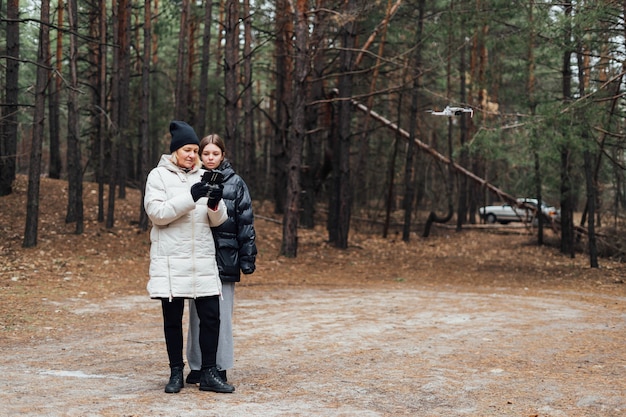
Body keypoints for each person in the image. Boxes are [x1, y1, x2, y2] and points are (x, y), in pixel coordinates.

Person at [144, 121, 235, 394]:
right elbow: (157, 215)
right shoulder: (157, 176)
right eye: (187, 149)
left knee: (211, 317)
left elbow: (217, 220)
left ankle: (208, 373)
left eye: (195, 150)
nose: (192, 155)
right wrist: (190, 196)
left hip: (201, 260)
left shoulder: (203, 176)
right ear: (174, 151)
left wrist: (216, 203)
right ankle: (175, 373)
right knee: (172, 320)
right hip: (172, 260)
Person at [185, 134, 257, 385]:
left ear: (223, 155)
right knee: (197, 314)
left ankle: (220, 365)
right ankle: (197, 366)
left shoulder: (236, 183)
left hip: (226, 256)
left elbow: (245, 222)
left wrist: (247, 258)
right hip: (198, 257)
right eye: (206, 154)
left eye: (215, 154)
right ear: (199, 155)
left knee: (222, 315)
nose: (210, 158)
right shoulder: (192, 180)